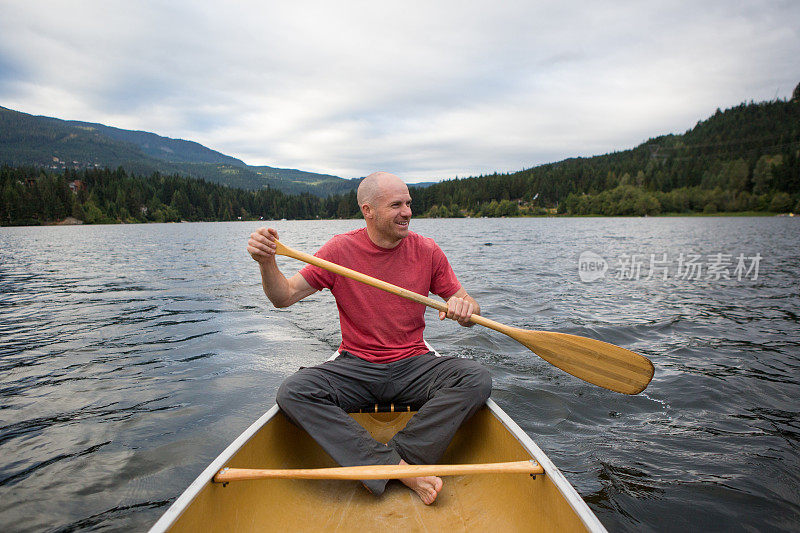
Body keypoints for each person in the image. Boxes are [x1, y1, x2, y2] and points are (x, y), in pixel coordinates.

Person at [246, 171, 492, 505]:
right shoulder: (339, 249)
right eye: (396, 205)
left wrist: (465, 308)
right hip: (357, 367)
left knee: (476, 378)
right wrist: (267, 262)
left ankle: (392, 461)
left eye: (408, 203)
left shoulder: (427, 251)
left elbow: (469, 306)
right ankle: (398, 468)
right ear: (368, 211)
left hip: (414, 365)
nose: (407, 211)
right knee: (293, 393)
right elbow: (283, 296)